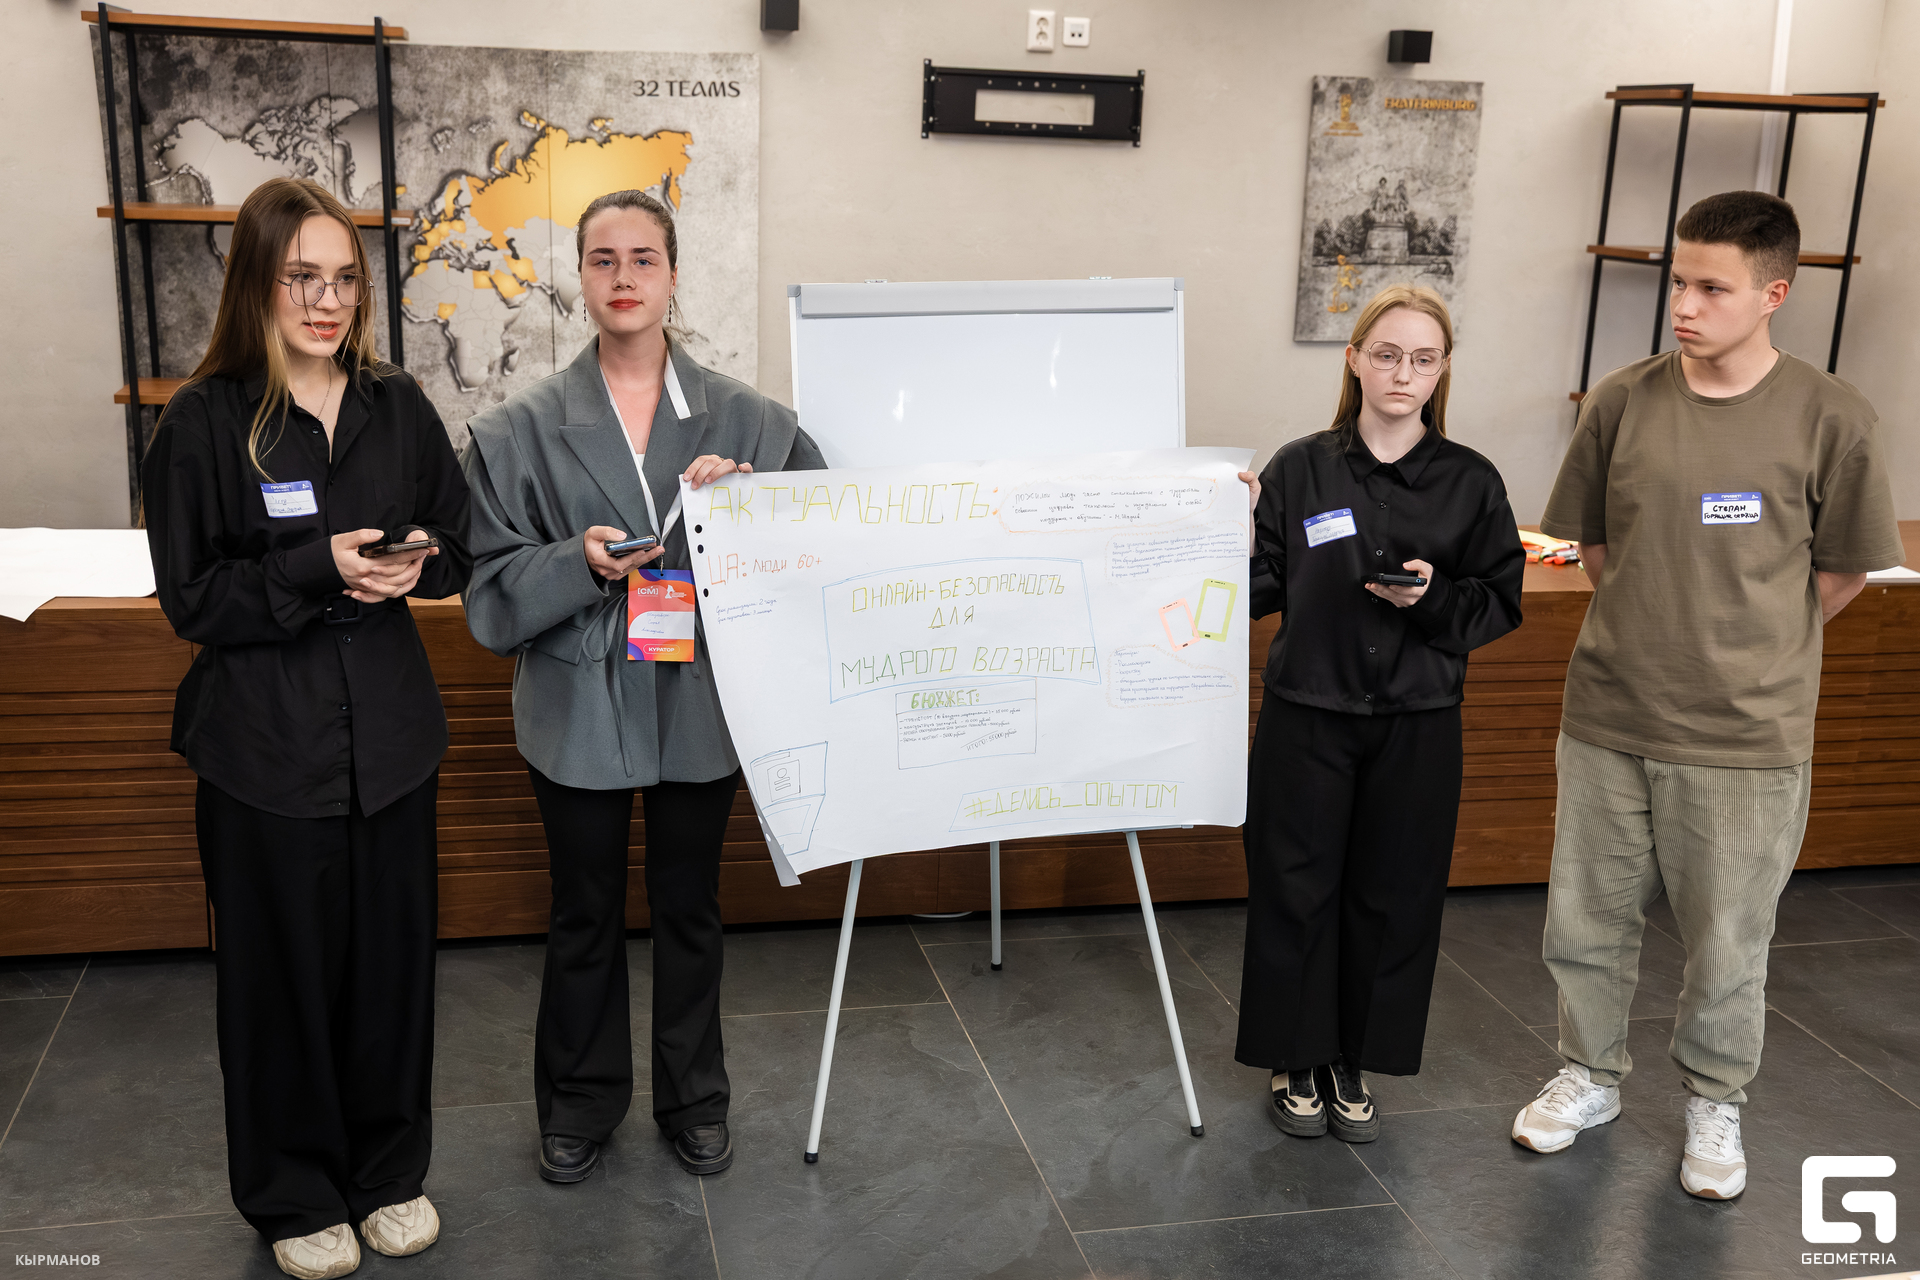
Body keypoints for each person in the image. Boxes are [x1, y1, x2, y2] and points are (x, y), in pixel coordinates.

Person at [1512, 191, 1903, 1199]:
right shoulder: (1621, 401)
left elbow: (1842, 572)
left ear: (1774, 294)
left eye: (1712, 288)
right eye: (1678, 281)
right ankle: (1589, 1075)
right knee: (1584, 921)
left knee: (1729, 938)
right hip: (1609, 713)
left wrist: (1748, 645)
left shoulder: (1834, 417)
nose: (1684, 304)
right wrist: (1658, 624)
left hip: (1747, 732)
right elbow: (1598, 547)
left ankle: (1715, 1100)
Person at [460, 189, 826, 1186]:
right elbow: (487, 588)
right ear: (580, 277)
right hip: (576, 701)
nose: (623, 278)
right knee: (582, 907)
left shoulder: (753, 421)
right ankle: (579, 1101)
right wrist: (573, 562)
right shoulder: (516, 429)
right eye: (603, 259)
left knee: (690, 903)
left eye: (643, 259)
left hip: (698, 695)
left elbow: (819, 545)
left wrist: (742, 512)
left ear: (672, 274)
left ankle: (695, 1098)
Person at [141, 176, 471, 1279]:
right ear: (256, 283)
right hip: (264, 752)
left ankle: (387, 1173)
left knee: (390, 974)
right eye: (301, 278)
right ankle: (294, 1191)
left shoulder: (397, 404)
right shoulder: (202, 422)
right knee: (279, 982)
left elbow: (459, 540)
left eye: (343, 280)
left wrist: (420, 561)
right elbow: (191, 599)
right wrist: (313, 567)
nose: (327, 302)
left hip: (393, 744)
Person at [1235, 284, 1524, 1142]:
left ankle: (1351, 1059)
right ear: (1355, 359)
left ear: (1442, 371)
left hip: (1418, 721)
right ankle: (1295, 1056)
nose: (1404, 373)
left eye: (1423, 359)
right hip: (1308, 714)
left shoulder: (1472, 481)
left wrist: (1433, 600)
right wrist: (1230, 537)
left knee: (1394, 895)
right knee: (1295, 888)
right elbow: (1258, 590)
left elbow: (1498, 602)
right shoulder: (1299, 469)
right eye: (1388, 354)